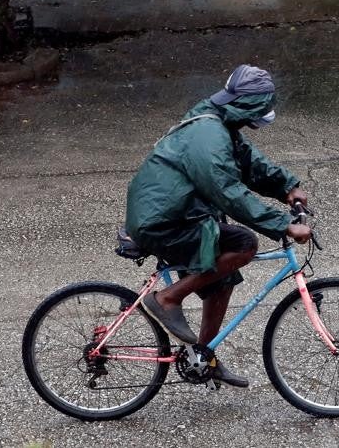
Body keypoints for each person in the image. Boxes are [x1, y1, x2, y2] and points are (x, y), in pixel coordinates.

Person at [125, 64, 314, 387]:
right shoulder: (208, 135)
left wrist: (287, 186)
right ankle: (167, 299)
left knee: (223, 280)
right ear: (247, 107)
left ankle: (203, 357)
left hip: (181, 214)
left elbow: (247, 160)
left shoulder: (219, 122)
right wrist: (283, 224)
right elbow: (226, 190)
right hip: (165, 221)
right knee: (244, 243)